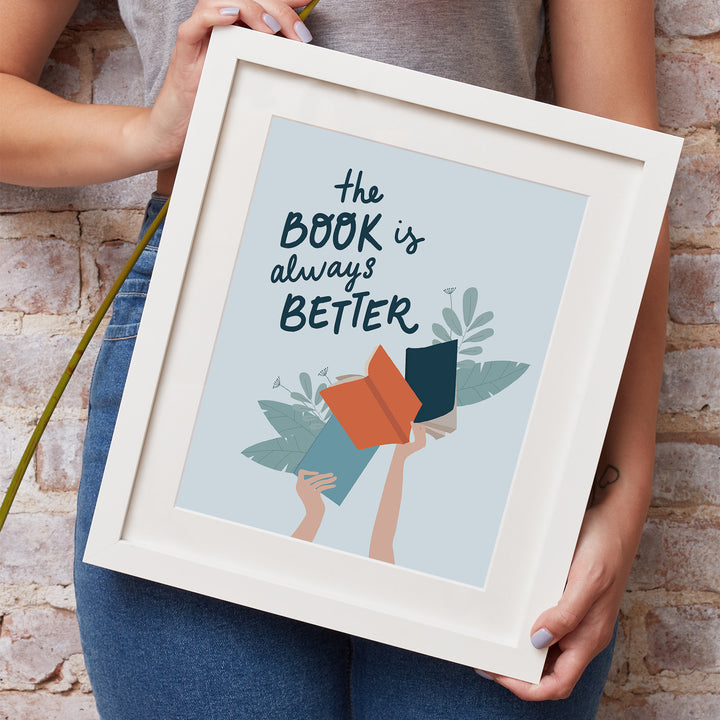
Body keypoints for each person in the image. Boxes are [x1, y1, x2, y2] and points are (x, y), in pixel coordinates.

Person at [0, 0, 668, 717]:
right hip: (214, 311)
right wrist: (151, 129)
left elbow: (624, 145)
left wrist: (619, 499)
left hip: (473, 306)